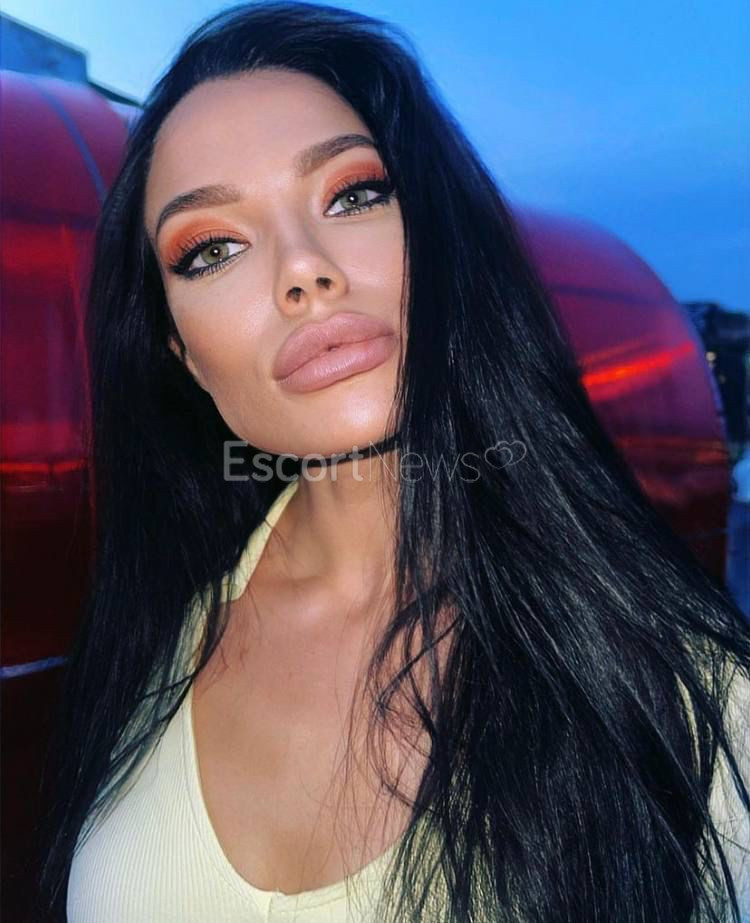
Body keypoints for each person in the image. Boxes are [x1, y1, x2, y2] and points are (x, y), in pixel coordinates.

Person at [35, 2, 750, 921]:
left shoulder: (693, 699)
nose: (303, 269)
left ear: (443, 239)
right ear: (183, 355)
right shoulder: (147, 633)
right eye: (212, 249)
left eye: (353, 194)